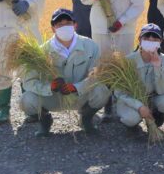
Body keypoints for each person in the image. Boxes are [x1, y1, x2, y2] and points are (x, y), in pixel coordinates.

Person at [79, 0, 145, 121]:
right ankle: (106, 104)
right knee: (102, 65)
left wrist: (121, 21)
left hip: (124, 28)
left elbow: (138, 3)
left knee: (123, 64)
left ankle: (121, 103)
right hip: (100, 26)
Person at [19, 9, 110, 137]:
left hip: (80, 95)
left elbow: (96, 74)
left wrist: (76, 87)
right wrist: (49, 87)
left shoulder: (91, 46)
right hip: (53, 98)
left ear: (75, 25)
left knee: (102, 91)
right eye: (59, 24)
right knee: (26, 100)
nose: (64, 27)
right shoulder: (41, 52)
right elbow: (28, 82)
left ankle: (86, 118)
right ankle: (44, 121)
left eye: (68, 23)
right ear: (53, 28)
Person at [116, 24, 164, 136]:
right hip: (131, 100)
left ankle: (155, 120)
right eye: (146, 38)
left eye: (155, 39)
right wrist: (139, 106)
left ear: (160, 41)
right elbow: (119, 92)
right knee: (132, 118)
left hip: (153, 98)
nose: (150, 41)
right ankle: (133, 126)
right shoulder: (128, 61)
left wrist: (157, 67)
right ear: (139, 40)